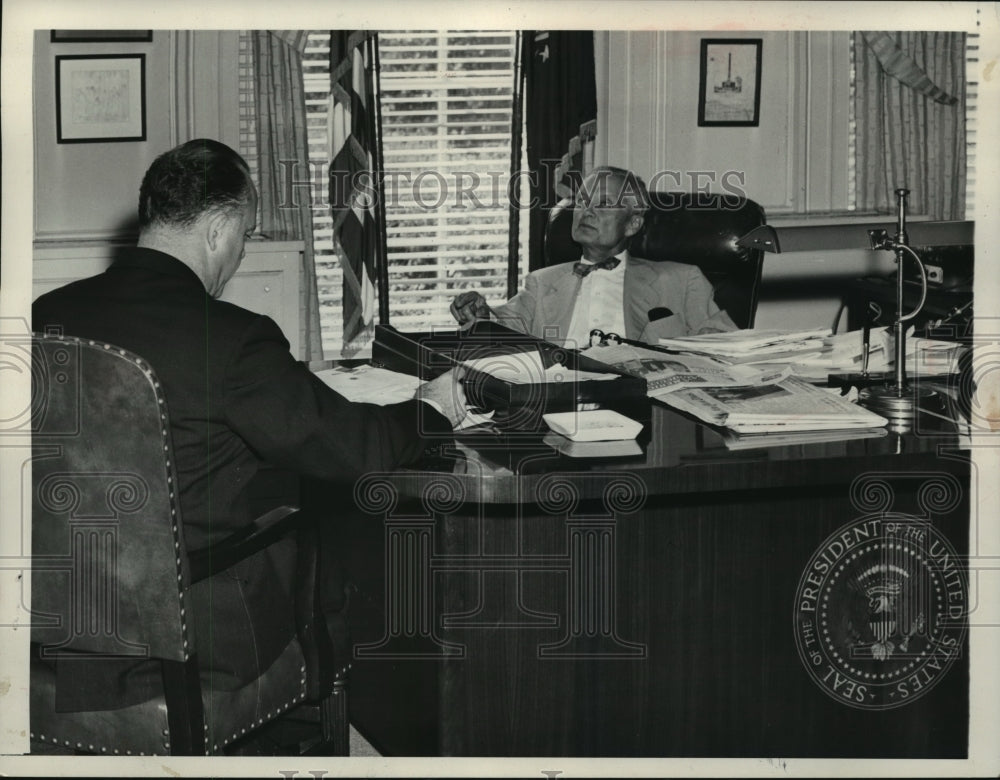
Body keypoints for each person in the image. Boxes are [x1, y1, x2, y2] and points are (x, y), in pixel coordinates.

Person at [32, 138, 467, 711]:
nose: (239, 255)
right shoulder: (233, 338)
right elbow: (357, 452)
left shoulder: (46, 315)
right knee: (332, 544)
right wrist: (431, 408)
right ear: (217, 229)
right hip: (190, 632)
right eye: (245, 234)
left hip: (58, 617)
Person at [450, 166, 737, 348]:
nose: (587, 211)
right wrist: (480, 313)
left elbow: (727, 345)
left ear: (632, 224)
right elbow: (504, 325)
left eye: (604, 204)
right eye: (583, 201)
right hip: (562, 399)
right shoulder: (541, 283)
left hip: (645, 405)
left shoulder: (681, 280)